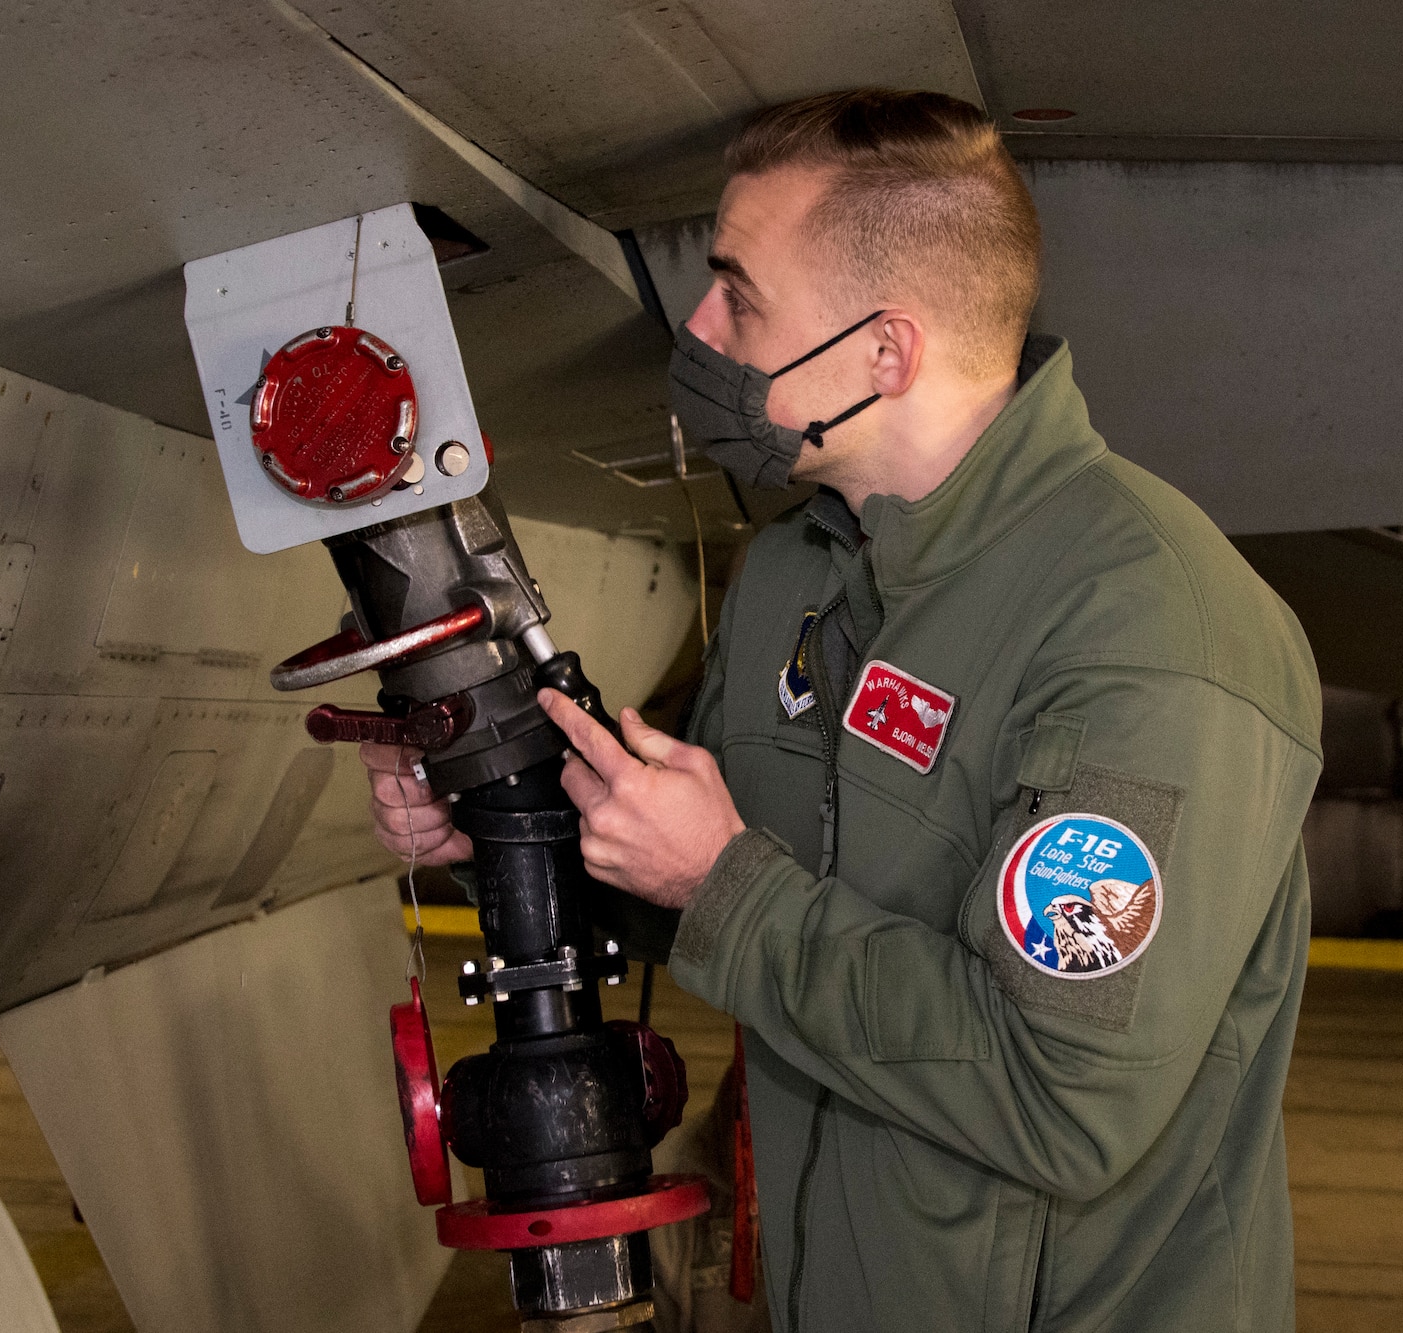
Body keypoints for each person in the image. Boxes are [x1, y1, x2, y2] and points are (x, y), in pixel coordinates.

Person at [365, 88, 1320, 1332]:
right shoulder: (797, 573)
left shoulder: (1152, 633)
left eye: (738, 293)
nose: (700, 329)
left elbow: (1060, 1098)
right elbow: (713, 885)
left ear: (886, 353)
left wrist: (717, 883)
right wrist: (513, 833)